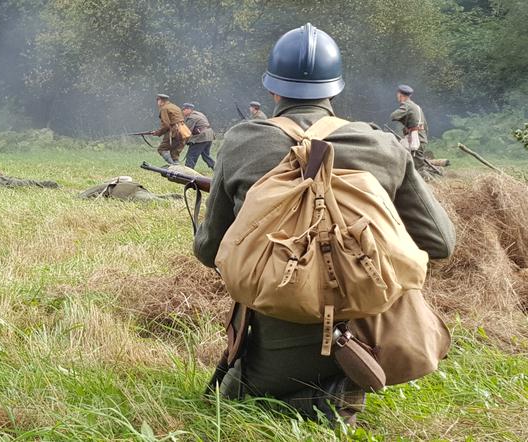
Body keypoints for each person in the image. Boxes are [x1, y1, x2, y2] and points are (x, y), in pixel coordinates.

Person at [193, 23, 455, 424]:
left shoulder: (243, 143)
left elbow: (208, 251)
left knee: (239, 402)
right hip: (365, 345)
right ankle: (338, 388)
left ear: (273, 90)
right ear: (334, 90)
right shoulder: (381, 145)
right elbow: (440, 242)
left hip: (269, 348)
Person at [390, 85, 429, 172]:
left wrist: (404, 120)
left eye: (398, 95)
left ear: (400, 95)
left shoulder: (407, 106)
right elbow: (425, 127)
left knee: (416, 171)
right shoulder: (417, 107)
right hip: (421, 140)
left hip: (415, 143)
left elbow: (393, 116)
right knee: (414, 168)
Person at [152, 94, 189, 165]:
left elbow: (166, 125)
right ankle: (177, 168)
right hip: (184, 130)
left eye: (158, 100)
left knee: (161, 149)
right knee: (174, 153)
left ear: (161, 101)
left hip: (175, 131)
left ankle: (173, 166)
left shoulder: (164, 108)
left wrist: (158, 133)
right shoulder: (175, 106)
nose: (157, 102)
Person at [182, 103, 216, 170]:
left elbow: (186, 131)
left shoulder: (191, 117)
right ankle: (217, 169)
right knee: (205, 155)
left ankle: (188, 173)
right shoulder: (199, 114)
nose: (183, 111)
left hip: (201, 137)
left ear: (189, 109)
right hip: (209, 136)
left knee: (191, 156)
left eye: (184, 109)